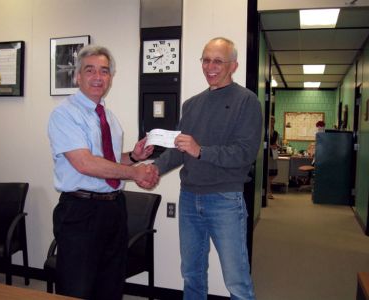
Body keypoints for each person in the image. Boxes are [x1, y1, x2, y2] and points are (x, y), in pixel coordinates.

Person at [152, 37, 262, 300]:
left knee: (236, 281)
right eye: (206, 60)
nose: (210, 66)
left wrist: (200, 150)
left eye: (218, 61)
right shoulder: (191, 104)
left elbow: (244, 153)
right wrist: (153, 168)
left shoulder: (247, 102)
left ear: (233, 65)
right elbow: (181, 148)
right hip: (189, 198)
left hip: (225, 199)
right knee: (191, 274)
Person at [48, 44, 158, 300]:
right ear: (78, 76)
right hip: (80, 212)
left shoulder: (108, 116)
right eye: (91, 70)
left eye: (105, 71)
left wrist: (133, 157)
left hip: (113, 209)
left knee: (110, 286)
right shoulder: (64, 115)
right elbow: (84, 163)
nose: (98, 77)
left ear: (110, 77)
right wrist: (135, 173)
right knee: (77, 289)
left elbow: (106, 160)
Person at [268, 116, 279, 199]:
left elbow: (276, 142)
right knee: (268, 173)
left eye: (273, 121)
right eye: (271, 121)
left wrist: (276, 145)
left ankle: (268, 188)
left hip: (274, 154)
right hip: (267, 155)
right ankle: (269, 191)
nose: (272, 123)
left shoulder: (275, 133)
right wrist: (270, 146)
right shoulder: (266, 132)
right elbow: (263, 144)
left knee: (274, 173)